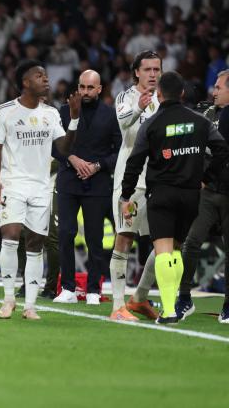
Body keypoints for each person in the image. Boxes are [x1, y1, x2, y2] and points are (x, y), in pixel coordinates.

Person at [120, 71, 229, 324]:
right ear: (182, 93)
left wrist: (126, 195)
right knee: (177, 249)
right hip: (192, 195)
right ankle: (175, 305)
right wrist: (207, 177)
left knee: (164, 251)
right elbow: (223, 149)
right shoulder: (199, 121)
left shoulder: (152, 124)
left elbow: (135, 161)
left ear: (159, 94)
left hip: (162, 194)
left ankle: (169, 310)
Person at [0, 60, 78, 320]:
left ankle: (30, 306)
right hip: (12, 182)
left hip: (41, 186)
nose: (46, 80)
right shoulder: (5, 111)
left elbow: (63, 150)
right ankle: (8, 299)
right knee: (11, 234)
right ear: (26, 83)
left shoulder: (51, 113)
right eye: (40, 76)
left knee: (36, 243)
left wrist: (73, 120)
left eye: (46, 75)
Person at [53, 70, 121, 305]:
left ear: (100, 89)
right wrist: (72, 159)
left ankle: (93, 289)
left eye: (90, 88)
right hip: (69, 180)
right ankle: (68, 288)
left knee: (95, 238)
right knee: (65, 234)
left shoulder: (111, 115)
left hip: (98, 183)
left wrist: (99, 165)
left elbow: (119, 150)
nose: (85, 92)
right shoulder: (63, 111)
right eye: (82, 87)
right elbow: (54, 146)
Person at [109, 50, 162, 321]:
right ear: (137, 72)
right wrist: (140, 106)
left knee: (166, 241)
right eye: (148, 69)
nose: (153, 74)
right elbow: (122, 123)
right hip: (130, 182)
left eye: (157, 69)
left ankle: (140, 298)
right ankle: (118, 306)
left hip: (158, 181)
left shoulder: (164, 100)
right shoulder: (125, 97)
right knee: (124, 238)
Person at [177, 69, 229, 323]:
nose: (214, 91)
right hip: (208, 193)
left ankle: (228, 305)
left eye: (219, 87)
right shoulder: (209, 114)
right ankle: (184, 297)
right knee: (192, 242)